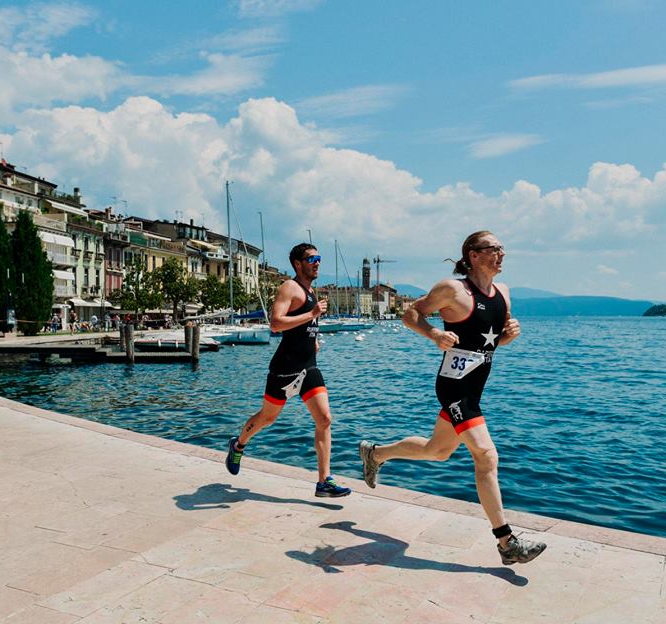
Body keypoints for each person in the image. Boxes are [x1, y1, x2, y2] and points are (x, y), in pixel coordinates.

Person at [358, 231, 546, 565]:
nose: (502, 253)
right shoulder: (453, 289)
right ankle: (506, 542)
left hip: (475, 388)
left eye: (503, 248)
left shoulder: (504, 292)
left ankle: (376, 454)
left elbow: (489, 343)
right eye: (494, 249)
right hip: (454, 386)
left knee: (438, 451)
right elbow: (411, 314)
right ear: (474, 255)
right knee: (486, 456)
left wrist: (506, 337)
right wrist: (433, 333)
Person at [225, 243, 351, 498]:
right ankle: (238, 445)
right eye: (311, 259)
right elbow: (275, 324)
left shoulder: (311, 291)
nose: (317, 262)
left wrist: (313, 339)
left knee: (325, 419)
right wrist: (312, 314)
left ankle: (324, 481)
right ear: (297, 263)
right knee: (267, 418)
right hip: (285, 369)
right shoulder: (289, 288)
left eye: (319, 258)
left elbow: (304, 325)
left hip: (308, 368)